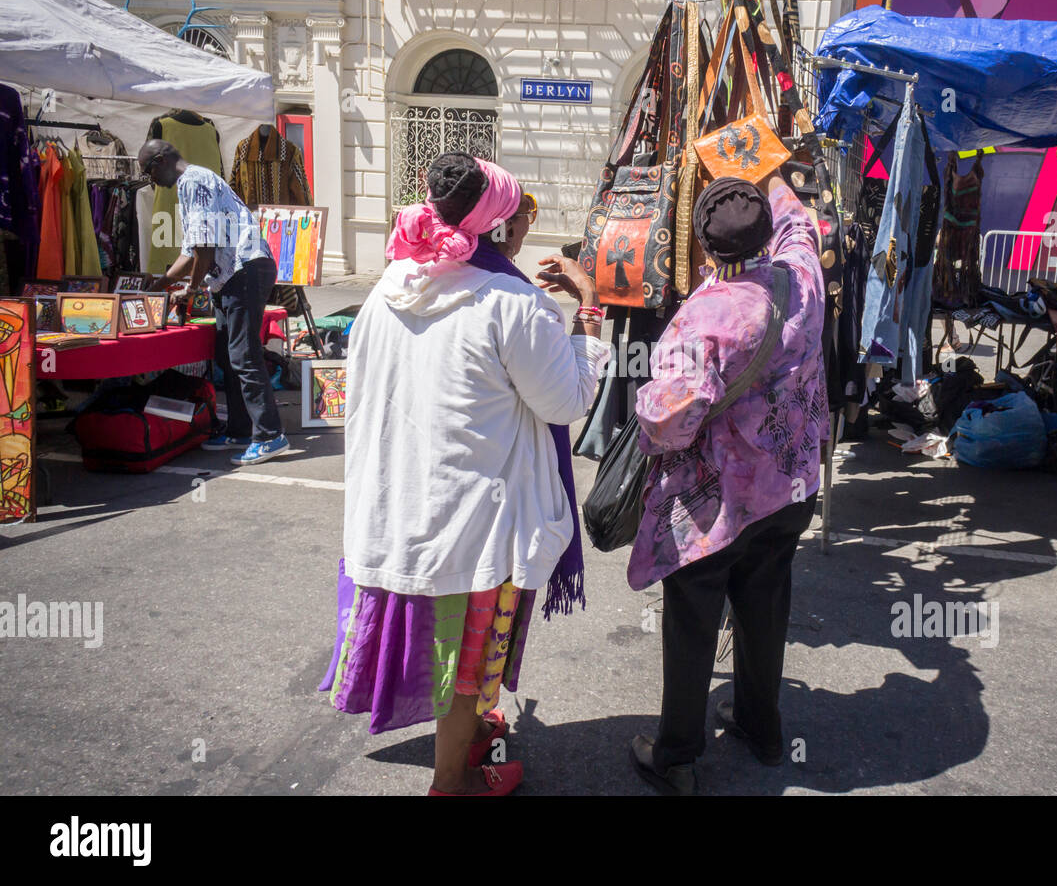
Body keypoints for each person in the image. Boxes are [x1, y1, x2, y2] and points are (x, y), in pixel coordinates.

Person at [323, 152, 609, 796]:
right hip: (477, 521)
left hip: (401, 506)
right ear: (503, 229)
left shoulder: (388, 285)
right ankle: (450, 784)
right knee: (468, 665)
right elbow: (565, 402)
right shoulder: (515, 304)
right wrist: (588, 308)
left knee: (450, 651)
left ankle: (468, 741)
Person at [627, 174, 828, 795]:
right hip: (789, 488)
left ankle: (679, 757)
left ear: (707, 249)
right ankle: (761, 729)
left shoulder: (704, 315)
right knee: (766, 606)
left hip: (717, 506)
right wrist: (763, 169)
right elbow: (800, 222)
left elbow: (666, 420)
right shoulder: (801, 276)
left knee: (693, 620)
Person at [138, 140, 289, 466]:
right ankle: (239, 428)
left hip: (243, 270)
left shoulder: (194, 181)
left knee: (243, 354)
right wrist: (161, 284)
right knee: (225, 352)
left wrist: (191, 289)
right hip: (231, 275)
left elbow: (205, 244)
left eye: (149, 171)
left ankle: (270, 435)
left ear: (161, 160)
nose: (152, 180)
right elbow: (190, 251)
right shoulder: (189, 185)